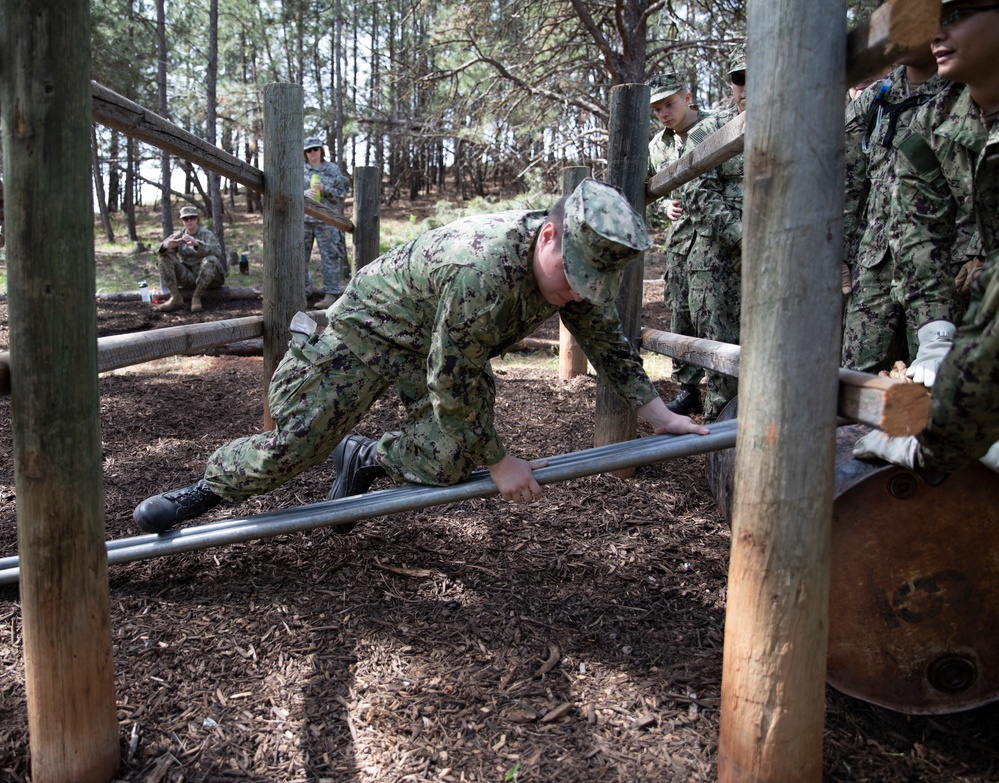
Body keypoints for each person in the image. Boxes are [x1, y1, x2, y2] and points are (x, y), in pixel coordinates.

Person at [133, 178, 710, 534]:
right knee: (297, 447)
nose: (579, 291)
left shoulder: (570, 275)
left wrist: (651, 409)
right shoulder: (484, 271)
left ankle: (367, 459)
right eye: (573, 274)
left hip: (434, 346)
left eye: (592, 281)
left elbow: (603, 334)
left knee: (458, 454)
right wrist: (501, 462)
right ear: (548, 237)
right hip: (366, 334)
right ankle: (202, 493)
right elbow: (451, 377)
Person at [853, 0, 999, 473]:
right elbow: (917, 225)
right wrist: (936, 335)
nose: (936, 31)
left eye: (956, 14)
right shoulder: (934, 119)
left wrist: (936, 438)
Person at [840, 44, 950, 375]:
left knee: (935, 384)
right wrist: (839, 254)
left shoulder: (962, 90)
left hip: (942, 268)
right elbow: (847, 179)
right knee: (854, 380)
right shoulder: (877, 97)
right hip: (875, 261)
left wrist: (973, 253)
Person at [675, 43, 747, 421]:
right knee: (722, 361)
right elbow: (696, 193)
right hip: (719, 266)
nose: (748, 87)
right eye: (741, 79)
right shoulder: (708, 130)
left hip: (780, 264)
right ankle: (721, 455)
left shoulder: (800, 128)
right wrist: (743, 238)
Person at [646, 72, 710, 416]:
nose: (664, 113)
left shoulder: (716, 128)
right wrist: (662, 204)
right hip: (681, 244)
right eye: (657, 109)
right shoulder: (658, 146)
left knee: (716, 318)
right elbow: (651, 188)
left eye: (669, 104)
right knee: (681, 315)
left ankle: (722, 391)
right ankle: (689, 389)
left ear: (687, 98)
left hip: (716, 241)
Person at [304, 136, 350, 308]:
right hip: (304, 221)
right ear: (304, 153)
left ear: (321, 150)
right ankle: (303, 293)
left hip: (327, 220)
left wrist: (325, 190)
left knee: (329, 258)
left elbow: (341, 194)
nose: (312, 152)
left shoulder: (332, 169)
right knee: (300, 258)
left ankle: (331, 294)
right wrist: (303, 194)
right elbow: (289, 193)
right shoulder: (299, 170)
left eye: (315, 149)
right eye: (309, 150)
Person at [154, 205, 224, 313]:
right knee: (163, 257)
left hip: (209, 277)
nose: (189, 221)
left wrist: (197, 244)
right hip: (188, 276)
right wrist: (165, 246)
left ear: (197, 219)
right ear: (181, 221)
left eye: (192, 218)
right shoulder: (179, 235)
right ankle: (175, 297)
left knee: (211, 259)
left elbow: (218, 252)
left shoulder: (206, 234)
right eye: (186, 219)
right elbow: (157, 251)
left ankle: (196, 297)